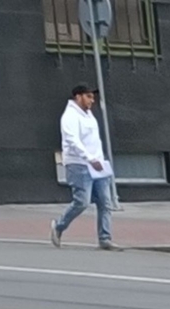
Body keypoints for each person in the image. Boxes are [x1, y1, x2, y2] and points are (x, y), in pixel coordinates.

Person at [53, 85, 117, 251]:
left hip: (98, 165)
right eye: (88, 97)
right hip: (78, 164)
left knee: (105, 202)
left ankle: (105, 239)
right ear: (78, 96)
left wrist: (99, 159)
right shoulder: (70, 116)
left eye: (93, 98)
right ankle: (58, 226)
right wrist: (89, 158)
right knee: (82, 202)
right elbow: (73, 141)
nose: (91, 101)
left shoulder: (89, 115)